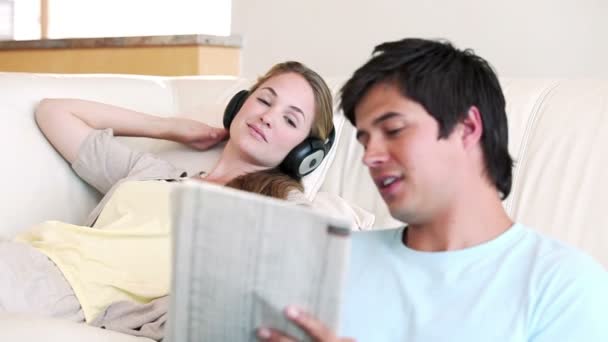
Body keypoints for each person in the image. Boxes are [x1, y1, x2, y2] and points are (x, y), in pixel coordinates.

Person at [257, 39, 608, 341]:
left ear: (467, 129)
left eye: (393, 130)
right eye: (364, 140)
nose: (371, 157)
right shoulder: (333, 261)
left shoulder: (567, 286)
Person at [0, 61, 335, 325]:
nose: (267, 117)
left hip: (70, 294)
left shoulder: (277, 208)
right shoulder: (154, 172)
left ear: (304, 152)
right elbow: (53, 112)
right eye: (264, 100)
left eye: (290, 120)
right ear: (239, 106)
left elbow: (315, 266)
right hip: (31, 256)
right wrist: (168, 127)